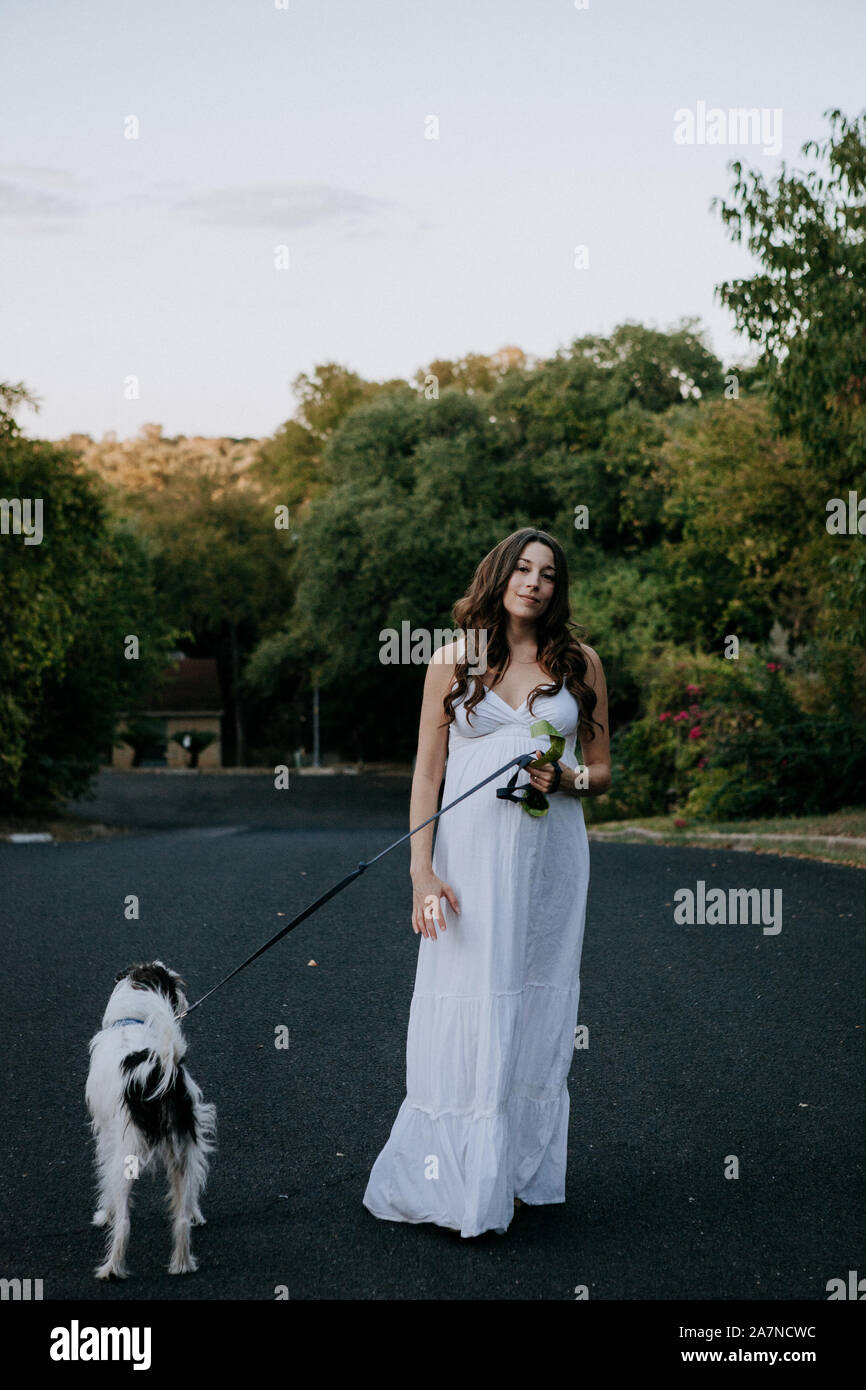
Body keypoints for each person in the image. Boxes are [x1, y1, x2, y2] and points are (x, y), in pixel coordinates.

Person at [362, 528, 610, 1238]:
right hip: (468, 862)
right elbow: (427, 772)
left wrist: (565, 778)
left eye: (550, 574)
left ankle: (520, 1175)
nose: (535, 582)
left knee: (534, 1001)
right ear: (499, 576)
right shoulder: (453, 661)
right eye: (524, 568)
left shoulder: (581, 663)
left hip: (549, 860)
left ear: (559, 589)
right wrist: (421, 871)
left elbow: (601, 771)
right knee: (468, 999)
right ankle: (452, 1182)